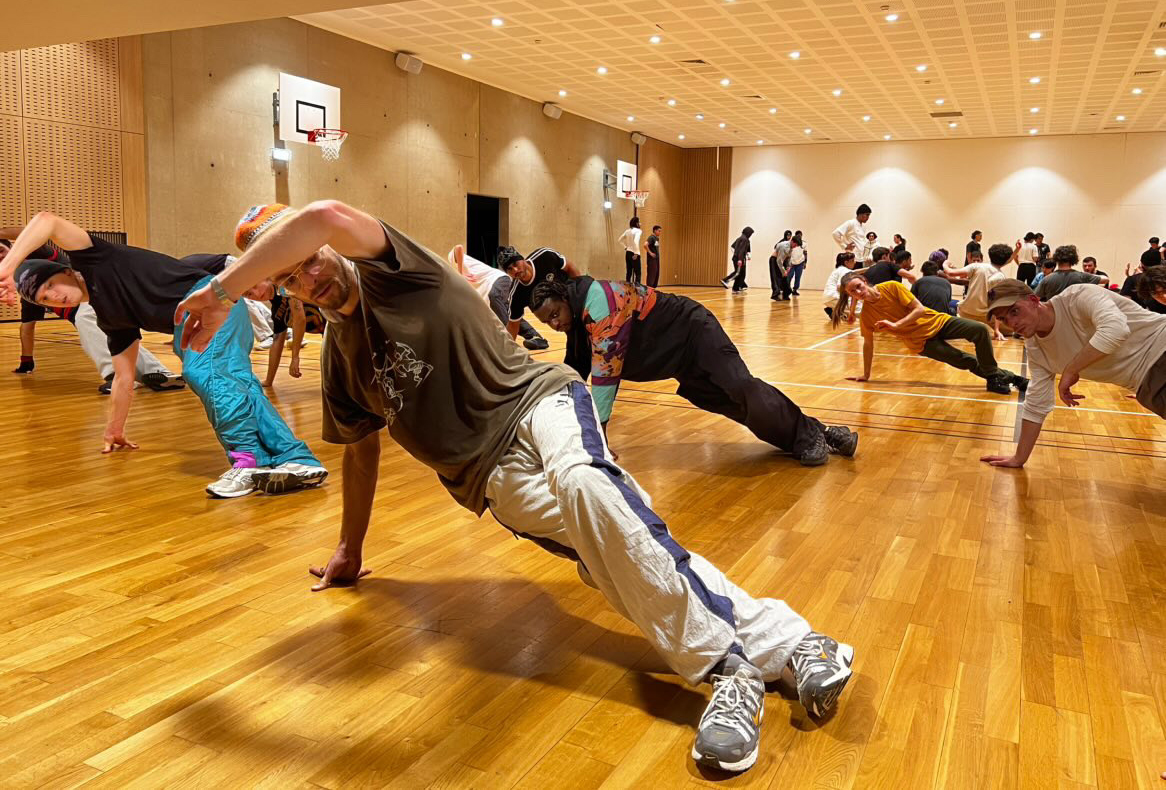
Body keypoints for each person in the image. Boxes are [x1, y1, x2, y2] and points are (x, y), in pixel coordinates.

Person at [172, 199, 856, 775]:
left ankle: (727, 673)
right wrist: (350, 547)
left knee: (588, 490)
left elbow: (324, 215)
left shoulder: (395, 269)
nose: (308, 279)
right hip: (489, 478)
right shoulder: (339, 363)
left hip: (538, 404)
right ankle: (795, 645)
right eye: (289, 279)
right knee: (613, 553)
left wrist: (221, 290)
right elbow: (359, 453)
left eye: (307, 260)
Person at [0, 209, 327, 498]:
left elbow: (47, 220)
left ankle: (249, 461)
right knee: (238, 384)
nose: (54, 297)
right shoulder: (109, 316)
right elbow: (124, 378)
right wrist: (114, 429)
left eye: (50, 286)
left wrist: (8, 266)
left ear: (66, 272)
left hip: (212, 302)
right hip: (192, 325)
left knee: (205, 373)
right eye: (45, 300)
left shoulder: (95, 259)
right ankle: (295, 458)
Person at [529, 277, 858, 465]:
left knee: (740, 386)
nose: (554, 324)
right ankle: (820, 432)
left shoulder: (601, 302)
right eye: (547, 322)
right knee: (732, 404)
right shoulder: (577, 320)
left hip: (693, 331)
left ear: (565, 299)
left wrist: (598, 439)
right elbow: (573, 376)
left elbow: (605, 372)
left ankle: (810, 436)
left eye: (555, 314)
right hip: (677, 361)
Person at [981, 279, 1166, 468]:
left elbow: (1116, 329)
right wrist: (1019, 458)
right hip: (1146, 384)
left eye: (1014, 311)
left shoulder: (1078, 297)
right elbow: (1037, 403)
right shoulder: (1036, 348)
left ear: (1034, 300)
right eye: (1004, 319)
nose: (1012, 323)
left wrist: (1072, 369)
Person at [2, 238, 185, 392]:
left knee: (85, 319)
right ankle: (161, 374)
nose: (52, 295)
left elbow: (43, 225)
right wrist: (27, 361)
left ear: (12, 247)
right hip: (96, 311)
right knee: (118, 340)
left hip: (97, 295)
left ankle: (115, 375)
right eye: (45, 297)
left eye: (1, 250)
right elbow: (27, 327)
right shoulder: (29, 291)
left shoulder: (39, 257)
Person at [833, 271, 1027, 394]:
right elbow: (868, 344)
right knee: (965, 360)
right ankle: (1013, 379)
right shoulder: (867, 315)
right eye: (853, 292)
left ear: (864, 281)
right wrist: (866, 374)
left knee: (980, 330)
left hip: (937, 321)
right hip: (922, 343)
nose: (858, 292)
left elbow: (919, 309)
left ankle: (993, 377)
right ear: (850, 296)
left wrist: (897, 325)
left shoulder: (892, 287)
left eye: (858, 287)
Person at [448, 245, 549, 350]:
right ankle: (535, 337)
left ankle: (508, 341)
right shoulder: (457, 287)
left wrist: (460, 272)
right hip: (490, 288)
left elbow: (458, 247)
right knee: (510, 314)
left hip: (497, 279)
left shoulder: (452, 263)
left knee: (494, 296)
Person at [240, 280, 326, 386]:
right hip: (328, 332)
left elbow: (299, 318)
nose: (257, 294)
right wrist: (269, 380)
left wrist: (295, 357)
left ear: (265, 278)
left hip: (338, 321)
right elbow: (277, 342)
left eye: (255, 286)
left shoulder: (285, 285)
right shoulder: (277, 312)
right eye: (249, 294)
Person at [498, 245, 582, 338]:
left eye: (515, 264)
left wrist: (580, 295)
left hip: (573, 301)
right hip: (562, 318)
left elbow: (570, 267)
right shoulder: (516, 294)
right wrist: (507, 346)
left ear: (522, 259)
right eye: (509, 269)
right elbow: (513, 326)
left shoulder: (545, 256)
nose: (515, 270)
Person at [944, 241, 1016, 340]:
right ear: (1006, 261)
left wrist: (945, 263)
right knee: (1012, 330)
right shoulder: (1001, 277)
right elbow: (999, 305)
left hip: (965, 312)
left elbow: (950, 273)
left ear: (990, 255)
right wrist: (997, 330)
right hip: (986, 315)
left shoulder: (977, 266)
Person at [1035, 245, 1109, 300]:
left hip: (1054, 314)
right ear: (1073, 259)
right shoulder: (1082, 276)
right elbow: (1106, 279)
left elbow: (1035, 299)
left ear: (1056, 259)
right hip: (1076, 315)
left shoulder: (1047, 279)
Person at [823, 251, 863, 320]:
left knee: (851, 309)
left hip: (828, 297)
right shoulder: (845, 271)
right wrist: (854, 294)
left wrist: (868, 268)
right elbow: (839, 287)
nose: (855, 262)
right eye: (852, 260)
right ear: (846, 262)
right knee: (861, 311)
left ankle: (835, 310)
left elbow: (854, 272)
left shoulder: (840, 269)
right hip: (834, 297)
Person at [722, 226, 753, 292]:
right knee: (738, 272)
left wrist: (740, 255)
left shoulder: (741, 239)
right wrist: (739, 258)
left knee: (742, 273)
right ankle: (725, 280)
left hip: (738, 258)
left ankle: (737, 287)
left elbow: (733, 247)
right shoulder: (744, 239)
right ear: (748, 233)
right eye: (750, 233)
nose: (751, 235)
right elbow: (741, 250)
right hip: (739, 259)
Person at [617, 217, 643, 285]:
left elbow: (619, 240)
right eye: (639, 222)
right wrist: (636, 253)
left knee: (629, 272)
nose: (640, 223)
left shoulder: (627, 231)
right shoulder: (638, 231)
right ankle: (637, 289)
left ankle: (627, 288)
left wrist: (625, 247)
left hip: (628, 253)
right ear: (637, 223)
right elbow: (636, 241)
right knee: (638, 273)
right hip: (634, 253)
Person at [770, 236, 792, 301]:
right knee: (775, 277)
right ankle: (775, 294)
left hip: (783, 261)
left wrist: (788, 267)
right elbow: (779, 260)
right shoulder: (783, 245)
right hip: (775, 260)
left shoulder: (792, 247)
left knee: (785, 278)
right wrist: (783, 271)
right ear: (793, 241)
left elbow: (788, 258)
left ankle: (786, 294)